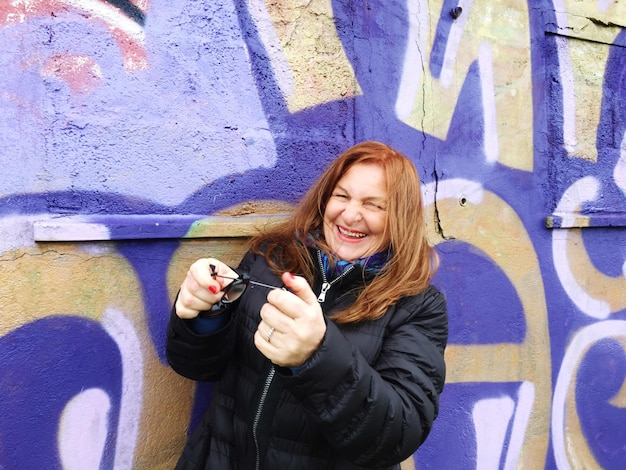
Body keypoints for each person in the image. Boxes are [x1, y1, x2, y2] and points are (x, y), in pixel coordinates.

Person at [166, 141, 448, 469]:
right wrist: (205, 314)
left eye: (373, 205)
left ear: (400, 218)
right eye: (342, 196)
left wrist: (316, 355)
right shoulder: (270, 257)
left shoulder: (418, 306)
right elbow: (199, 367)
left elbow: (396, 435)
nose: (350, 214)